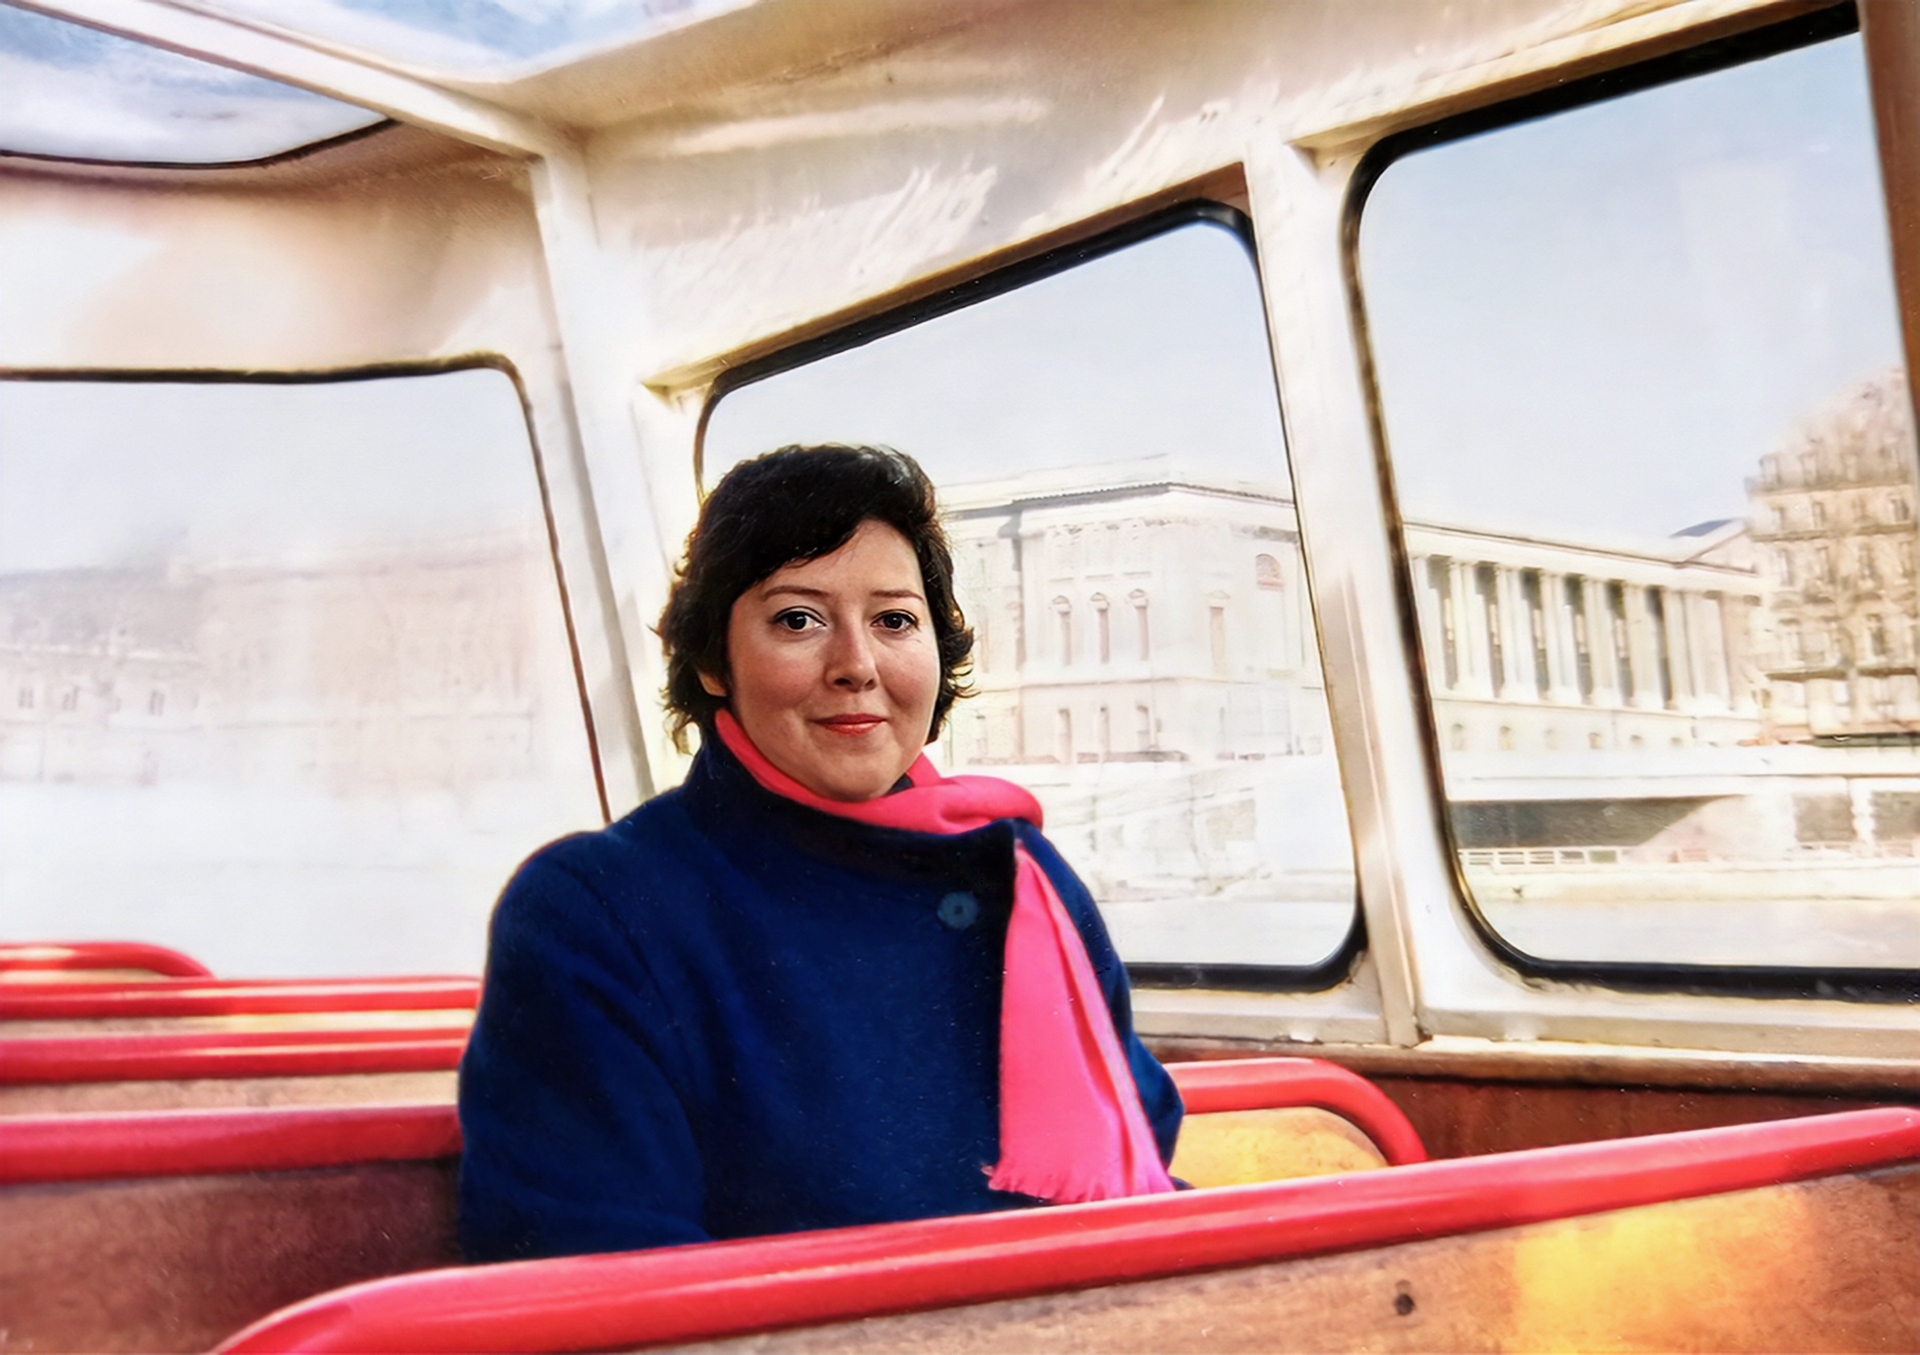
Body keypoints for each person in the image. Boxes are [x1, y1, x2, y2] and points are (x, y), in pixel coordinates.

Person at [457, 444, 1182, 1262]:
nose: (856, 666)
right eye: (797, 619)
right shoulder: (594, 909)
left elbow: (1143, 1151)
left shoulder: (1023, 876)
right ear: (712, 660)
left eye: (894, 620)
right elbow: (596, 1274)